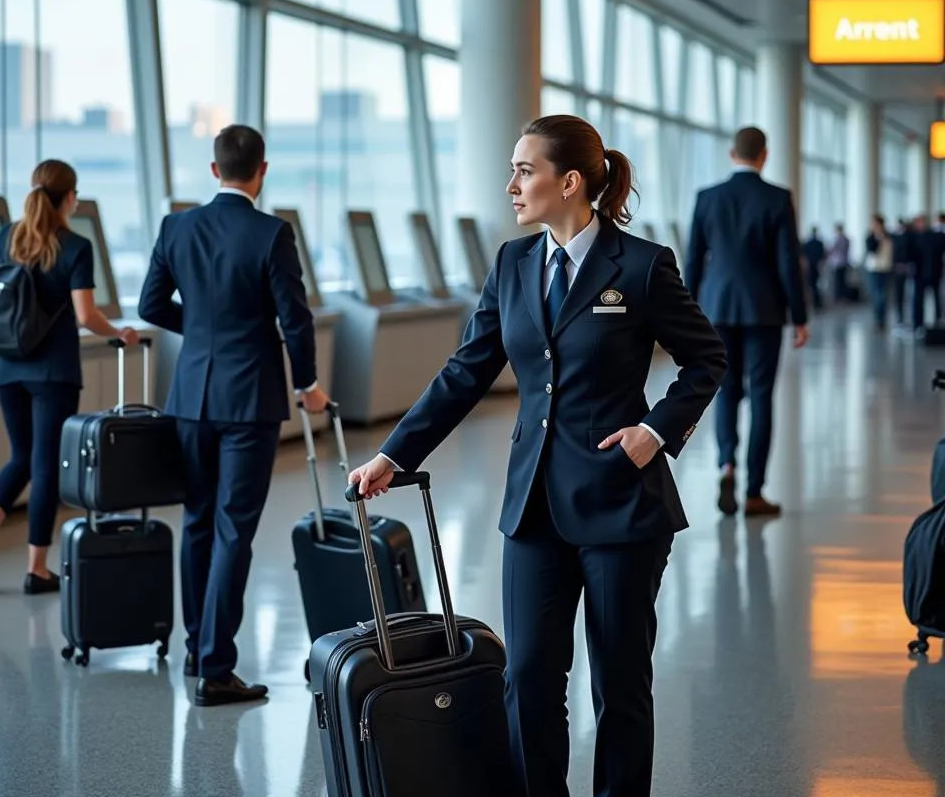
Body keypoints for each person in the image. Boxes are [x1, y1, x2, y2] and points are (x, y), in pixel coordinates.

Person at [350, 115, 727, 797]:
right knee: (525, 677)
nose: (511, 185)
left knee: (619, 685)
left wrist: (656, 430)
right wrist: (393, 454)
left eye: (525, 170)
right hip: (533, 511)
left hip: (621, 505)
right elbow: (465, 372)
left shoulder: (640, 267)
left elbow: (707, 359)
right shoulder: (513, 263)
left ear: (570, 181)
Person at [138, 125, 328, 708]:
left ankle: (199, 647)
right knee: (232, 530)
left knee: (196, 521)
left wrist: (199, 332)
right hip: (250, 401)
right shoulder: (272, 233)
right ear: (261, 171)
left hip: (191, 396)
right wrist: (309, 384)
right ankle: (216, 670)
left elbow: (149, 305)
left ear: (215, 169)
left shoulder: (177, 226)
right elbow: (293, 319)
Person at [0, 160, 139, 594]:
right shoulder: (76, 247)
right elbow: (85, 315)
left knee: (20, 455)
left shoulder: (8, 237)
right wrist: (119, 332)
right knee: (46, 466)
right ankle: (36, 568)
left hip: (6, 366)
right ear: (69, 198)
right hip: (53, 371)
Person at [684, 126, 808, 519]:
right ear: (764, 155)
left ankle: (727, 465)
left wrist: (685, 315)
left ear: (731, 153)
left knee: (725, 391)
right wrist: (800, 316)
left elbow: (692, 260)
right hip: (764, 310)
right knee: (761, 396)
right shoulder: (777, 198)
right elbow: (789, 262)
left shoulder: (707, 198)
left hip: (717, 308)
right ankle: (755, 492)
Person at [864, 215, 893, 331]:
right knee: (876, 294)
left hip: (885, 267)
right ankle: (877, 319)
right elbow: (871, 250)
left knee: (883, 295)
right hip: (874, 268)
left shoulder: (887, 236)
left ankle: (882, 319)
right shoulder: (870, 237)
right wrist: (877, 238)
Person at [801, 227, 826, 311]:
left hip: (811, 265)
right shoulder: (819, 243)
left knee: (812, 284)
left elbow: (804, 254)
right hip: (817, 265)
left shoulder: (808, 243)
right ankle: (817, 302)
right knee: (816, 284)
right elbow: (823, 254)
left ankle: (815, 302)